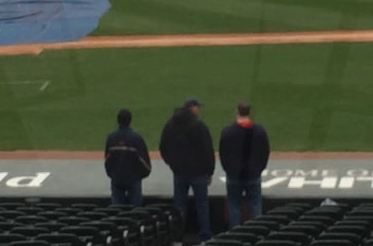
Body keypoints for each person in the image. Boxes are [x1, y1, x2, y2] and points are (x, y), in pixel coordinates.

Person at [158, 97, 215, 238]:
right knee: (202, 205)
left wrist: (172, 164)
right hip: (198, 174)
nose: (199, 110)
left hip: (179, 172)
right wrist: (209, 172)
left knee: (179, 206)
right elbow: (208, 150)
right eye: (198, 107)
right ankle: (205, 236)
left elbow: (163, 147)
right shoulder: (199, 126)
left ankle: (177, 236)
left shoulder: (170, 125)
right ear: (192, 108)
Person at [218, 102, 272, 226]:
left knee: (234, 205)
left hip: (234, 175)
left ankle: (235, 234)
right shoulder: (259, 131)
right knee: (255, 204)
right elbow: (265, 151)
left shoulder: (227, 132)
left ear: (237, 111)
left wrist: (228, 169)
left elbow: (223, 153)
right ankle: (256, 233)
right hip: (253, 174)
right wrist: (259, 169)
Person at [103, 108, 152, 208]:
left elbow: (107, 160)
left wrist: (112, 174)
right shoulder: (137, 138)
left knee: (116, 211)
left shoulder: (111, 138)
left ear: (118, 120)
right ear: (130, 120)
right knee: (136, 212)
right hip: (133, 180)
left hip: (116, 179)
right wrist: (141, 175)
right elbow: (145, 161)